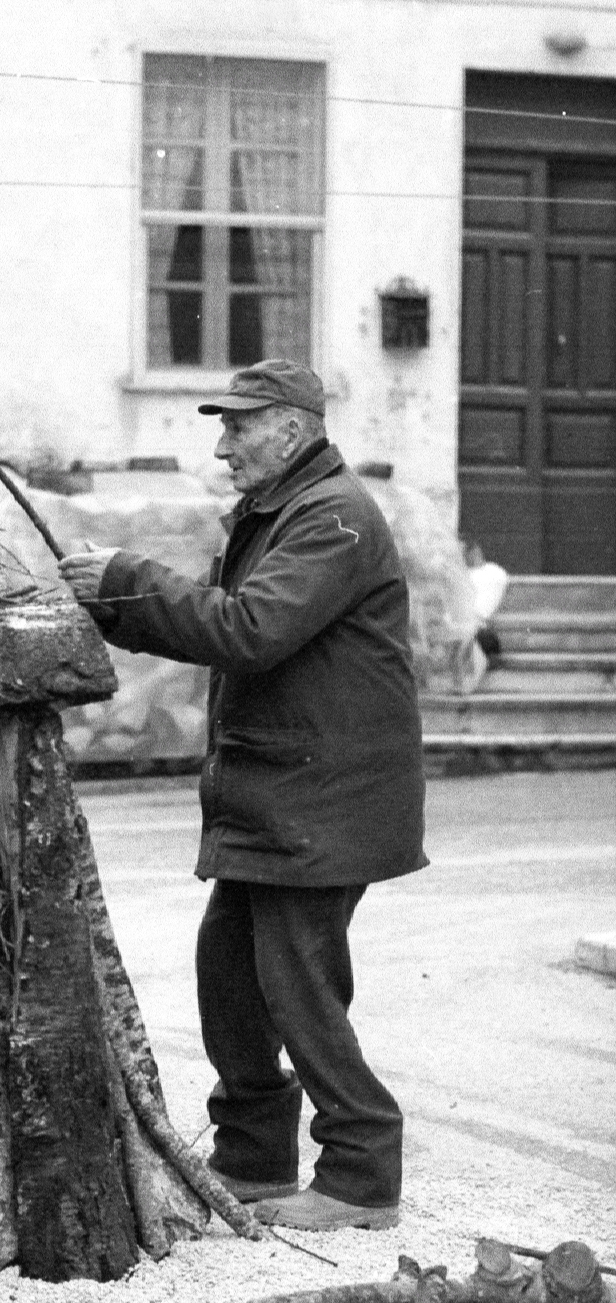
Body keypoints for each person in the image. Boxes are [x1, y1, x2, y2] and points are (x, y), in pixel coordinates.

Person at [59, 359, 426, 1231]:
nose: (221, 447)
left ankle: (362, 1175)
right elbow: (235, 619)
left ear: (290, 431)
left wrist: (122, 581)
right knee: (228, 973)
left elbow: (248, 629)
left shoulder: (331, 516)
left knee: (297, 985)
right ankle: (253, 1158)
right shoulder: (285, 510)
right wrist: (120, 595)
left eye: (236, 428)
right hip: (285, 794)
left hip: (320, 800)